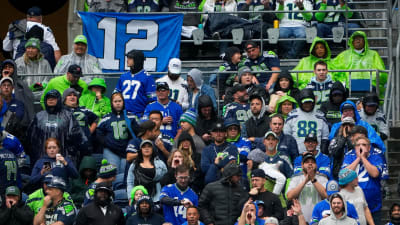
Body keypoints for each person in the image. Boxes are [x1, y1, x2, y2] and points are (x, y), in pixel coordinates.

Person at [27, 89, 86, 164]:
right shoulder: (39, 116)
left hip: (63, 158)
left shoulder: (68, 116)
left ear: (58, 99)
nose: (51, 100)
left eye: (53, 98)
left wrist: (70, 155)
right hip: (42, 159)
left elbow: (77, 137)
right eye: (48, 98)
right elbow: (31, 139)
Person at [342, 136, 385, 225]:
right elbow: (343, 176)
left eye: (364, 145)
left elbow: (375, 174)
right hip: (352, 209)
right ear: (355, 147)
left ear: (369, 148)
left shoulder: (376, 156)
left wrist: (363, 158)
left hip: (373, 207)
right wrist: (358, 158)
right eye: (358, 145)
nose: (361, 147)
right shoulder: (349, 156)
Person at [333, 31, 387, 98]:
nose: (358, 41)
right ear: (352, 41)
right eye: (356, 39)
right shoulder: (344, 55)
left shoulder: (373, 54)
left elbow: (381, 72)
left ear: (365, 41)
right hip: (348, 86)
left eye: (360, 39)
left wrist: (373, 79)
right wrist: (343, 81)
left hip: (369, 86)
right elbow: (334, 69)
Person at [96, 92, 139, 174]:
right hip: (111, 151)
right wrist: (106, 143)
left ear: (123, 102)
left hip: (127, 150)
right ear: (112, 103)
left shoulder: (131, 117)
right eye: (115, 102)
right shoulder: (106, 117)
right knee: (112, 172)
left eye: (120, 101)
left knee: (125, 172)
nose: (118, 103)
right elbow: (99, 132)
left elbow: (138, 132)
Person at [284, 88, 330, 154]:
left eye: (309, 103)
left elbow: (325, 137)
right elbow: (287, 135)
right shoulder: (293, 115)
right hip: (297, 153)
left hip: (316, 154)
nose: (307, 105)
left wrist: (322, 152)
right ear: (300, 102)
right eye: (305, 103)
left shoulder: (320, 116)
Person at [286, 153, 328, 222]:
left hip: (318, 218)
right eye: (307, 162)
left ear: (316, 165)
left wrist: (313, 179)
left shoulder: (323, 178)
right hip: (300, 218)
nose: (310, 164)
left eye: (312, 162)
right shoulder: (296, 178)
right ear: (302, 165)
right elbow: (289, 196)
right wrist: (305, 181)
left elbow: (326, 195)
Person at [114, 50, 156, 117]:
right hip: (123, 115)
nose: (127, 60)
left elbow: (152, 100)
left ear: (137, 60)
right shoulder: (123, 76)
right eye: (127, 58)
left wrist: (146, 115)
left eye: (130, 58)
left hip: (139, 115)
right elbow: (115, 95)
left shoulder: (147, 77)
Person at [256, 131, 293, 195]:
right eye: (268, 139)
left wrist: (287, 193)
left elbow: (290, 177)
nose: (271, 142)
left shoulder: (284, 157)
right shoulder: (259, 158)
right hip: (263, 195)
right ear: (264, 142)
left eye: (273, 139)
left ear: (277, 142)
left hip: (281, 195)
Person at [0, 59, 35, 126]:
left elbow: (29, 100)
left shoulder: (21, 84)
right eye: (5, 67)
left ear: (14, 69)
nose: (7, 69)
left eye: (10, 67)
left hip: (18, 121)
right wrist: (4, 79)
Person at [63, 88, 98, 153]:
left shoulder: (84, 109)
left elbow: (96, 119)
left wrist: (89, 132)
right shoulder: (61, 111)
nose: (72, 97)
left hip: (84, 145)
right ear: (64, 99)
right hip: (67, 146)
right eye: (69, 95)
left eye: (74, 95)